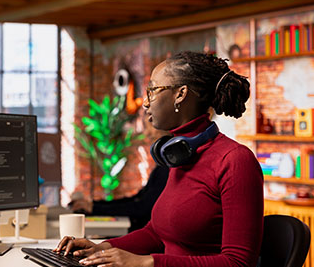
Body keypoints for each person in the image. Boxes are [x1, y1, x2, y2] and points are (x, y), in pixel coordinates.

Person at [55, 51, 264, 267]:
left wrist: (147, 263)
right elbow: (156, 234)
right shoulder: (180, 155)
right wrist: (102, 248)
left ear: (180, 94)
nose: (145, 102)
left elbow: (238, 262)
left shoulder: (235, 161)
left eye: (152, 90)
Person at [70, 164, 168, 232]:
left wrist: (94, 208)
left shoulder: (166, 170)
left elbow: (142, 208)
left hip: (144, 234)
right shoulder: (161, 168)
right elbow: (136, 199)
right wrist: (94, 205)